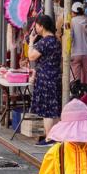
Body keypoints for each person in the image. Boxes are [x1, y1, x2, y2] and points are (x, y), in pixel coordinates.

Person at [28, 14, 63, 147]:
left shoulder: (44, 42)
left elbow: (31, 56)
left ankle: (49, 138)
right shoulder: (55, 41)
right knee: (56, 108)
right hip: (55, 76)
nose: (35, 28)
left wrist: (31, 41)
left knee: (47, 110)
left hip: (45, 78)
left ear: (41, 26)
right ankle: (58, 136)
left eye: (36, 25)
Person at [69, 2, 87, 87]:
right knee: (86, 77)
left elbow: (70, 38)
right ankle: (84, 94)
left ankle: (76, 95)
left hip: (75, 52)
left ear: (73, 12)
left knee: (75, 78)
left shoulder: (72, 21)